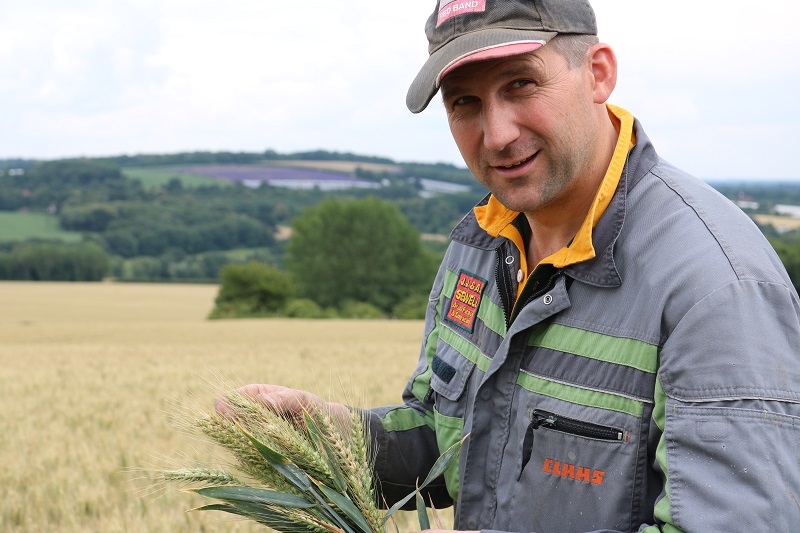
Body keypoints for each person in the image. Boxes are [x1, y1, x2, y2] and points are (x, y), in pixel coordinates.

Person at [222, 1, 800, 531]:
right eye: (465, 103)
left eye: (521, 84)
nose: (496, 135)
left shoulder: (716, 289)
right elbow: (449, 445)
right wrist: (330, 437)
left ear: (597, 73)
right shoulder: (479, 244)